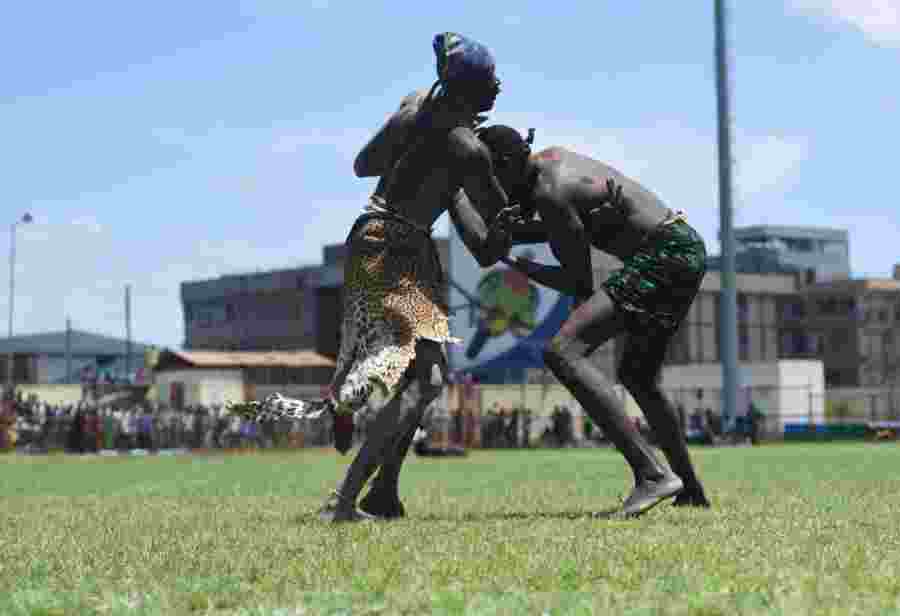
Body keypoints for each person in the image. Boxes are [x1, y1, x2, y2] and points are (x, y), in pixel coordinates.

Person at [232, 32, 515, 522]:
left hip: (371, 233)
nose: (500, 87)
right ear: (470, 89)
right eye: (491, 80)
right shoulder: (469, 150)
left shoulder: (413, 109)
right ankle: (343, 499)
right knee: (424, 381)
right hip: (402, 243)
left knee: (409, 373)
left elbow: (365, 165)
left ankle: (365, 450)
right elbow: (495, 234)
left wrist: (420, 152)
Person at [457, 126, 710, 514]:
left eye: (490, 178)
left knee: (562, 352)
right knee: (639, 377)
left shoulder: (549, 193)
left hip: (664, 255)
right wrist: (518, 231)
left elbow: (578, 283)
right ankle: (690, 490)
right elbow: (566, 224)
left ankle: (652, 475)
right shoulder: (550, 162)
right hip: (684, 246)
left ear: (506, 165)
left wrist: (525, 266)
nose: (492, 189)